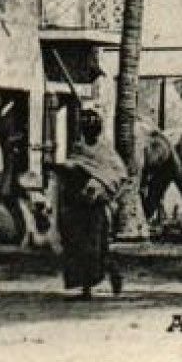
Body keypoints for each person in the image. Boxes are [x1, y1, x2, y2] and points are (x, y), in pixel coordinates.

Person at [52, 109, 128, 299]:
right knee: (78, 245)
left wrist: (102, 187)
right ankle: (85, 289)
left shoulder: (106, 151)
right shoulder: (78, 148)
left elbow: (118, 174)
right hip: (78, 204)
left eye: (92, 127)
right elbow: (73, 171)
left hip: (97, 206)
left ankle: (113, 272)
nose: (89, 131)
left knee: (97, 247)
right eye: (86, 128)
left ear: (98, 129)